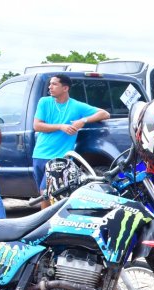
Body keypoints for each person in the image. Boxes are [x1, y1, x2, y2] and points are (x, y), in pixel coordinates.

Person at [33, 74, 109, 208]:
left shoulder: (76, 106)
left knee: (47, 192)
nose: (50, 87)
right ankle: (44, 221)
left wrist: (83, 120)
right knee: (43, 195)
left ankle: (48, 224)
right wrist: (61, 126)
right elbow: (37, 126)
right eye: (50, 84)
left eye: (54, 84)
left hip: (59, 159)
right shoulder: (44, 102)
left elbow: (104, 114)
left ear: (65, 88)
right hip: (39, 154)